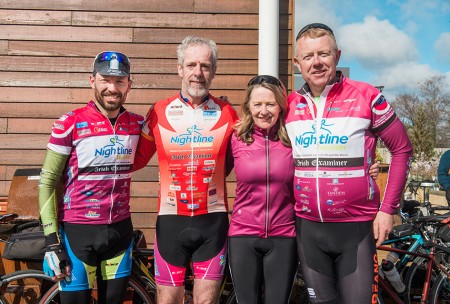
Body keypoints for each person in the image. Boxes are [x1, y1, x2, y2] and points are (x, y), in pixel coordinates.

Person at [285, 23, 413, 303]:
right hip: (308, 230)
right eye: (308, 57)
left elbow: (402, 149)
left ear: (338, 56)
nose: (316, 62)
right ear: (297, 63)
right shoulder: (288, 104)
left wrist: (387, 209)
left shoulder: (367, 96)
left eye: (324, 54)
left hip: (355, 229)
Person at [133, 36, 239, 304]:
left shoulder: (227, 113)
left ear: (213, 71)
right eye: (191, 65)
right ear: (180, 69)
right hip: (171, 220)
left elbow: (245, 157)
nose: (198, 73)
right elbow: (134, 160)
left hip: (212, 222)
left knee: (207, 301)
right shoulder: (158, 112)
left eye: (205, 66)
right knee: (167, 300)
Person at [38, 51, 143, 304]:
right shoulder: (70, 123)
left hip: (119, 233)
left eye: (119, 81)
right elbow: (47, 182)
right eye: (105, 79)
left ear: (129, 84)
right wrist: (52, 240)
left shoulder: (138, 124)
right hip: (78, 235)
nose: (112, 88)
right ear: (92, 80)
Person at [226, 75, 297, 304]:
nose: (263, 111)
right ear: (248, 106)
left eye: (270, 104)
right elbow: (212, 170)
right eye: (257, 104)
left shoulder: (293, 139)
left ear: (280, 106)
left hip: (284, 235)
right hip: (243, 235)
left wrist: (368, 167)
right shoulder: (235, 138)